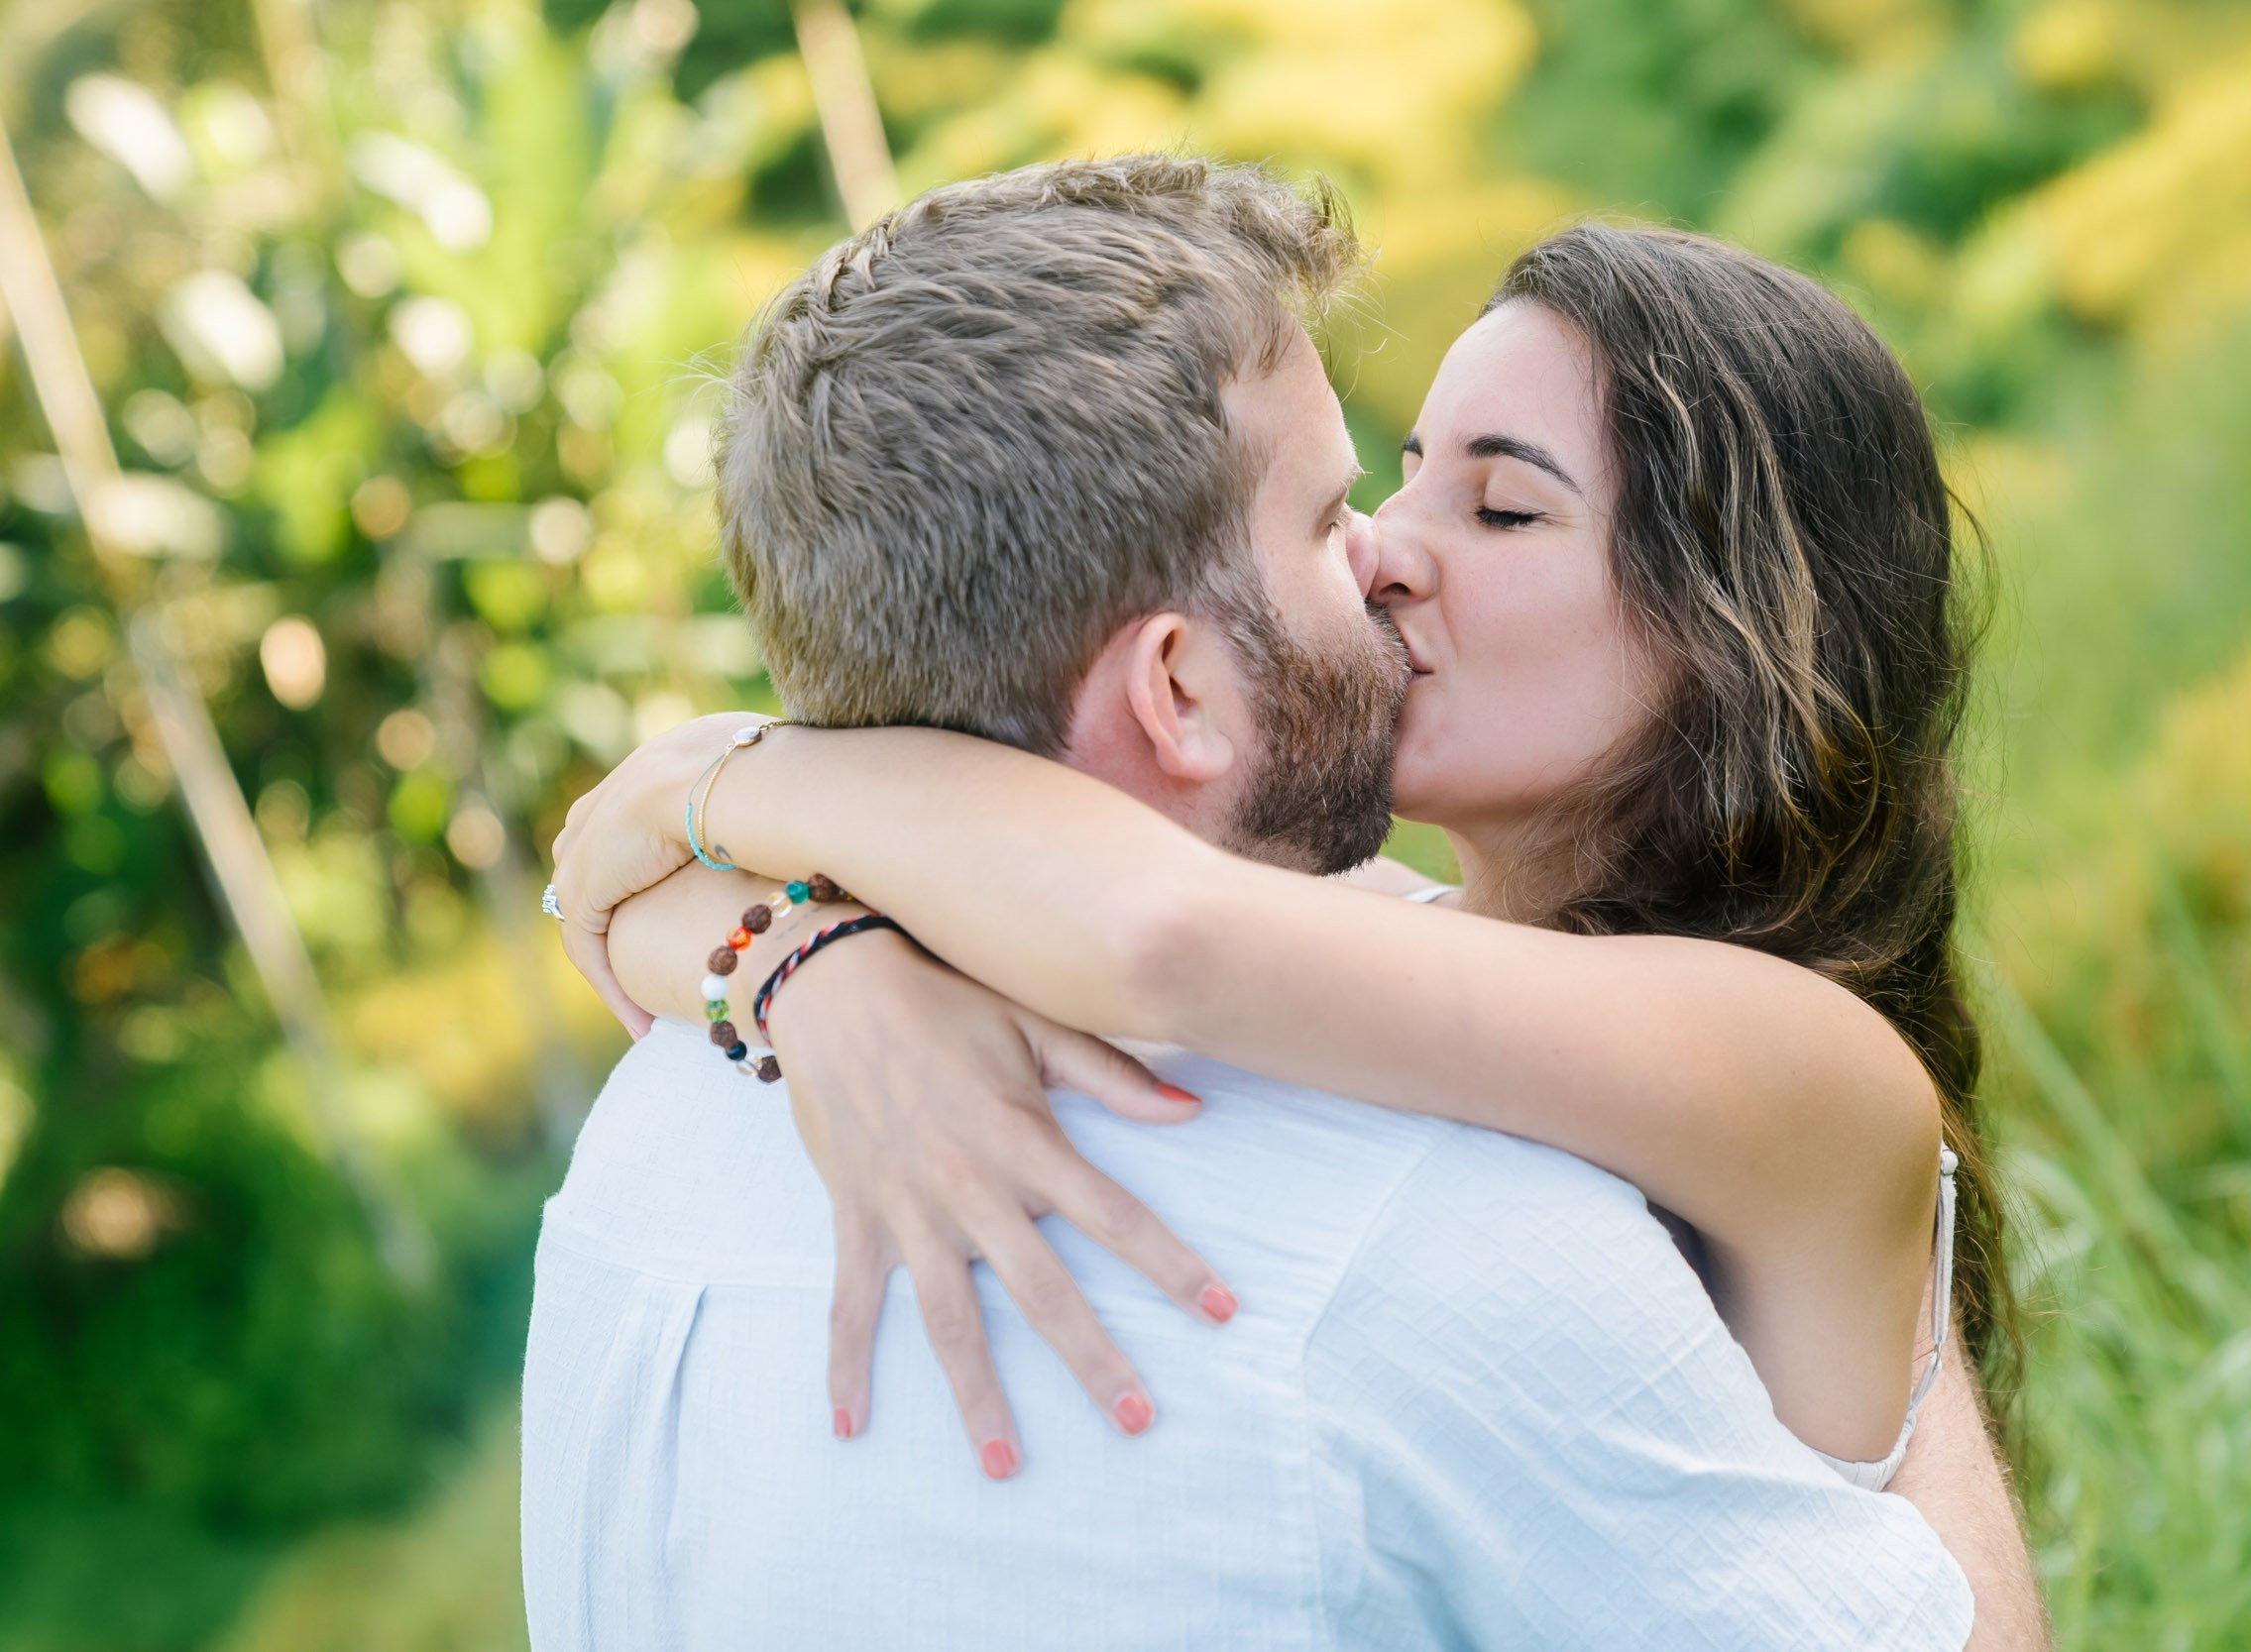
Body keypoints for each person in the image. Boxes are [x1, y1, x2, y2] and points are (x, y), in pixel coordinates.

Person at [531, 154, 2040, 1649]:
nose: (1387, 552)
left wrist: (719, 783)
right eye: (1378, 486)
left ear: (1733, 633)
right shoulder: (1384, 967)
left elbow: (1155, 935)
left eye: (1503, 510)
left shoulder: (1783, 1059)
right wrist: (804, 955)